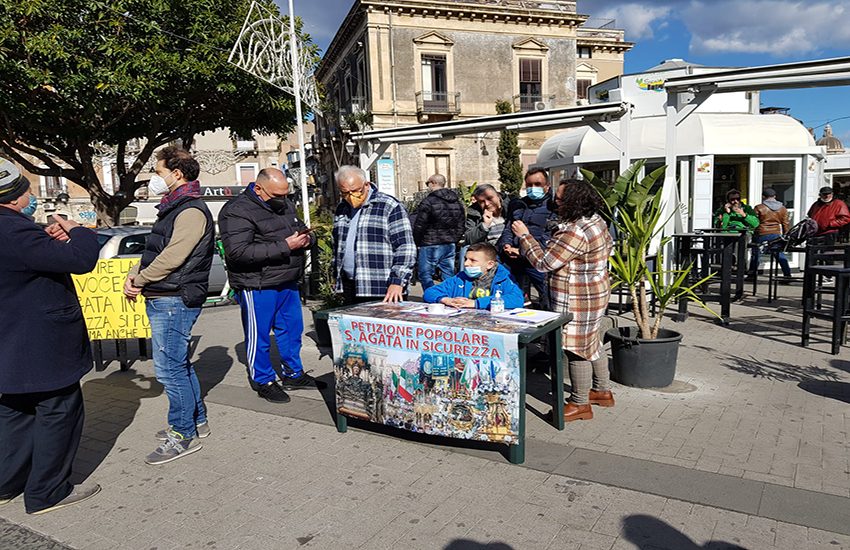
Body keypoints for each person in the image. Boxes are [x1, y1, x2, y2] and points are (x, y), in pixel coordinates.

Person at [0, 159, 101, 514]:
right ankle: (47, 492)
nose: (31, 196)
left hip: (10, 345)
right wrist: (79, 230)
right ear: (13, 197)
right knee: (59, 410)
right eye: (27, 189)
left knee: (15, 413)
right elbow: (82, 258)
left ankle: (6, 483)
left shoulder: (16, 232)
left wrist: (45, 239)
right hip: (40, 345)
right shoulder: (13, 230)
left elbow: (26, 263)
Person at [124, 146, 214, 465]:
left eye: (159, 172)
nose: (155, 178)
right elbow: (156, 250)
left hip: (174, 297)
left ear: (177, 174)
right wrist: (136, 274)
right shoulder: (174, 208)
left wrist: (140, 279)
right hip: (167, 295)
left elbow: (173, 257)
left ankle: (182, 434)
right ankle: (197, 421)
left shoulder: (190, 210)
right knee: (179, 364)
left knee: (169, 368)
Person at [512, 179, 614, 422]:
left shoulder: (575, 230)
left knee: (576, 348)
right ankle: (602, 390)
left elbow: (545, 263)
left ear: (574, 201)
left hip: (578, 296)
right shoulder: (596, 220)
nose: (554, 202)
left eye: (559, 199)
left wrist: (525, 237)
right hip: (596, 289)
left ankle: (579, 403)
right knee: (592, 341)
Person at [218, 168, 315, 404]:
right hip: (257, 284)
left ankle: (294, 374)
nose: (282, 200)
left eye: (285, 195)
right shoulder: (236, 211)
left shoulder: (283, 203)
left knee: (292, 331)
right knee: (259, 335)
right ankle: (264, 380)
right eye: (277, 195)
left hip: (287, 280)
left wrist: (308, 239)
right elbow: (238, 253)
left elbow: (298, 228)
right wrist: (286, 245)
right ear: (259, 188)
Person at [332, 165, 416, 304]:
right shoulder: (342, 208)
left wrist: (398, 281)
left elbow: (405, 247)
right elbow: (337, 245)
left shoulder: (388, 205)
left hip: (382, 287)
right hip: (350, 286)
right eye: (345, 193)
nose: (351, 197)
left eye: (355, 191)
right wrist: (336, 277)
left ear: (366, 185)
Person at [498, 168, 558, 305]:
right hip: (514, 259)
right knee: (512, 297)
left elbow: (550, 236)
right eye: (529, 185)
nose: (533, 188)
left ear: (547, 186)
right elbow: (508, 227)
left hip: (538, 261)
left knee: (547, 298)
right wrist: (506, 245)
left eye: (537, 184)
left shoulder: (553, 207)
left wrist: (523, 252)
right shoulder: (518, 204)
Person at [423, 242, 524, 310]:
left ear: (490, 264)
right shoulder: (460, 278)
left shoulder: (503, 279)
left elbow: (517, 300)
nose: (466, 263)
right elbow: (429, 292)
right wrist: (446, 300)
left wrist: (476, 303)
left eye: (473, 260)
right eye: (466, 259)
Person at [412, 174, 466, 290]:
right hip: (449, 243)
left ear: (433, 183)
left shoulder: (428, 201)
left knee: (425, 274)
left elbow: (420, 224)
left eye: (428, 183)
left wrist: (417, 241)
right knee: (448, 274)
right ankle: (449, 296)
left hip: (429, 243)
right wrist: (455, 239)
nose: (428, 186)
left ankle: (432, 297)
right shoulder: (456, 201)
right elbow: (462, 223)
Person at [749, 188, 791, 279]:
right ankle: (787, 275)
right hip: (776, 233)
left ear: (763, 197)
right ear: (775, 196)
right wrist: (786, 235)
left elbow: (754, 222)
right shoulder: (782, 208)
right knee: (779, 255)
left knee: (756, 254)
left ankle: (752, 275)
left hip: (761, 233)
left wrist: (752, 231)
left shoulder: (759, 207)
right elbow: (785, 223)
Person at [463, 184, 506, 248]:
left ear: (498, 195)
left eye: (489, 198)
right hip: (487, 251)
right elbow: (468, 239)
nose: (487, 203)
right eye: (481, 201)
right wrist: (484, 225)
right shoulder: (474, 213)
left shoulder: (511, 208)